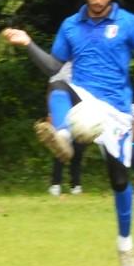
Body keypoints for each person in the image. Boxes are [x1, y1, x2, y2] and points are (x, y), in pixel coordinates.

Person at [4, 0, 134, 266]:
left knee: (119, 180)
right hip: (82, 96)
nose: (98, 1)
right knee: (59, 83)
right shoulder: (70, 26)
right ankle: (62, 135)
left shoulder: (128, 23)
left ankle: (125, 243)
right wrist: (28, 43)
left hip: (116, 111)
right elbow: (53, 67)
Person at [46, 62, 85, 196]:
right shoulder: (61, 59)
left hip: (84, 105)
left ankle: (76, 184)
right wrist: (51, 113)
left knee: (78, 149)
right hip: (62, 103)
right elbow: (52, 85)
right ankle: (55, 184)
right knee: (61, 148)